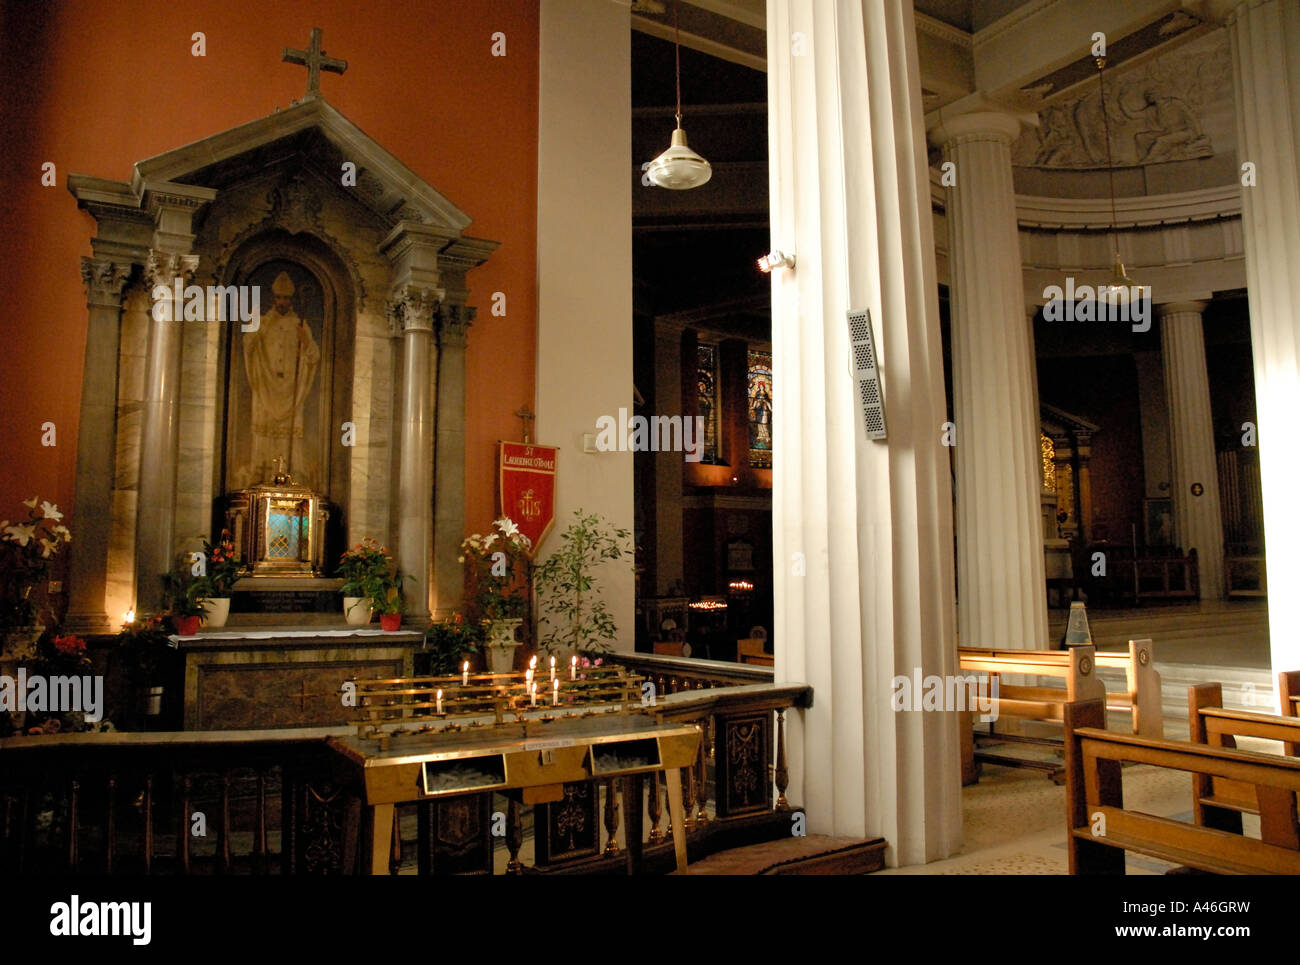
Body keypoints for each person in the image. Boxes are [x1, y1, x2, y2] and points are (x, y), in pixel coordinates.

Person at [243, 271, 320, 483]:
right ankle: (261, 477)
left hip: (291, 390)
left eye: (286, 298)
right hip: (266, 387)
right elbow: (248, 346)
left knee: (289, 437)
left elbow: (313, 357)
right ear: (273, 298)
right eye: (279, 297)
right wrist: (258, 329)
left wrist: (306, 343)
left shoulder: (301, 325)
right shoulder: (262, 321)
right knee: (264, 433)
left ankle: (290, 478)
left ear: (291, 300)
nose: (283, 302)